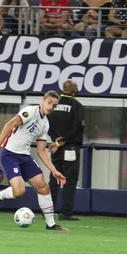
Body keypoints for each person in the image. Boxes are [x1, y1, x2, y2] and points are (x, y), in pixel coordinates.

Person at [0, 91, 69, 232]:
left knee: (43, 187)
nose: (50, 107)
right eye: (49, 103)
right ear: (42, 101)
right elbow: (10, 124)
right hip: (10, 155)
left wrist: (54, 171)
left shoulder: (45, 124)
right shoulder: (30, 111)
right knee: (19, 192)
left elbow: (41, 151)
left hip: (24, 157)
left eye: (54, 105)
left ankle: (51, 224)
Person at [47, 80, 85, 221]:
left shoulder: (54, 106)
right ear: (74, 89)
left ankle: (48, 211)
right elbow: (77, 126)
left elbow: (47, 124)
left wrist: (56, 141)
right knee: (69, 180)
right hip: (70, 148)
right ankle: (66, 212)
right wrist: (64, 140)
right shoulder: (76, 106)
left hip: (55, 148)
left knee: (54, 179)